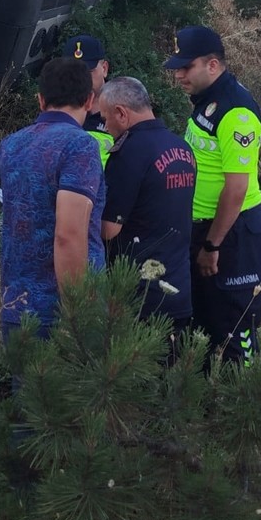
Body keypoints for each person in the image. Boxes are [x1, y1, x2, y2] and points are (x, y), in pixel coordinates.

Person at [163, 25, 261, 367]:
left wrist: (212, 245)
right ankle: (207, 387)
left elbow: (236, 189)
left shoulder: (236, 111)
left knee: (234, 323)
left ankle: (240, 392)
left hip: (231, 235)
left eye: (186, 67)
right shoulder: (208, 100)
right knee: (205, 318)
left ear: (212, 65)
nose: (178, 75)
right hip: (203, 228)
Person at [0, 57, 106, 341]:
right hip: (60, 313)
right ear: (89, 101)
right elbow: (68, 235)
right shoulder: (80, 145)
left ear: (40, 100)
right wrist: (77, 313)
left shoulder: (12, 143)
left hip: (16, 306)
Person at [100, 77, 196, 345]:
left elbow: (108, 229)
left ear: (121, 113)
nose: (105, 127)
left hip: (139, 295)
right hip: (178, 288)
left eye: (105, 119)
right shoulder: (182, 147)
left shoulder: (129, 153)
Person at [61, 34, 114, 165]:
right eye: (72, 73)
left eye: (87, 72)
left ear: (104, 68)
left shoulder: (122, 109)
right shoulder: (58, 107)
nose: (79, 79)